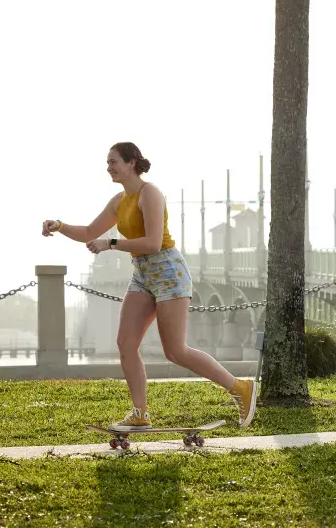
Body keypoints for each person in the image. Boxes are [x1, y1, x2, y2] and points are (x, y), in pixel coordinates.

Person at [41, 142, 257, 431]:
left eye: (114, 161)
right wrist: (60, 225)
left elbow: (154, 242)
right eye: (107, 162)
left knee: (175, 351)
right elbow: (90, 232)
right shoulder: (120, 200)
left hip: (168, 272)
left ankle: (239, 387)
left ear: (132, 163)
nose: (109, 167)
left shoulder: (150, 193)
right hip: (142, 274)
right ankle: (140, 413)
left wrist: (112, 243)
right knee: (125, 343)